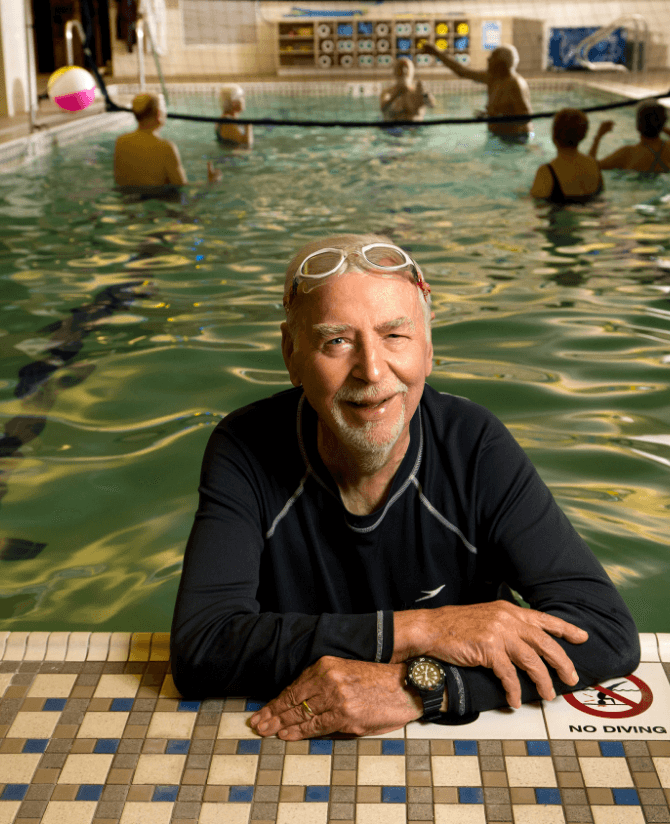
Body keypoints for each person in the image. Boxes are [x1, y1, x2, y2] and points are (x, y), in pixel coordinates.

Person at [171, 233, 639, 738]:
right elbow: (202, 647)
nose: (371, 370)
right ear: (291, 354)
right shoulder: (246, 447)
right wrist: (424, 629)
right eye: (336, 340)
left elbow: (607, 634)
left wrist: (418, 687)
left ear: (429, 349)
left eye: (395, 336)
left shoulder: (474, 447)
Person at [422, 41, 533, 141]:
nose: (488, 59)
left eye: (492, 57)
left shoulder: (515, 84)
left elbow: (525, 117)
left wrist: (494, 117)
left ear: (501, 64)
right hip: (499, 137)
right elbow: (462, 72)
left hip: (516, 139)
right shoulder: (493, 78)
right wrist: (436, 53)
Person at [114, 93, 219, 194]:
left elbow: (120, 181)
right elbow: (181, 186)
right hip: (161, 205)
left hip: (128, 203)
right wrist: (210, 183)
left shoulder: (120, 142)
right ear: (158, 114)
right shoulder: (166, 147)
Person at [589, 100, 670, 172]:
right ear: (663, 122)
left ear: (637, 126)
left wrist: (598, 137)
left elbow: (591, 167)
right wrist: (661, 127)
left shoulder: (627, 153)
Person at [531, 109, 603, 202]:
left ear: (553, 136)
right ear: (583, 136)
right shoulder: (594, 166)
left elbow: (537, 207)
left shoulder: (547, 172)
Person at [379, 57, 435, 122]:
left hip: (416, 128)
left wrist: (425, 95)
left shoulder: (418, 91)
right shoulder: (388, 92)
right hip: (395, 128)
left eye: (407, 67)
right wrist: (395, 95)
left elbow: (431, 105)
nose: (404, 70)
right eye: (400, 67)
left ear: (412, 71)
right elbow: (383, 109)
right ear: (394, 71)